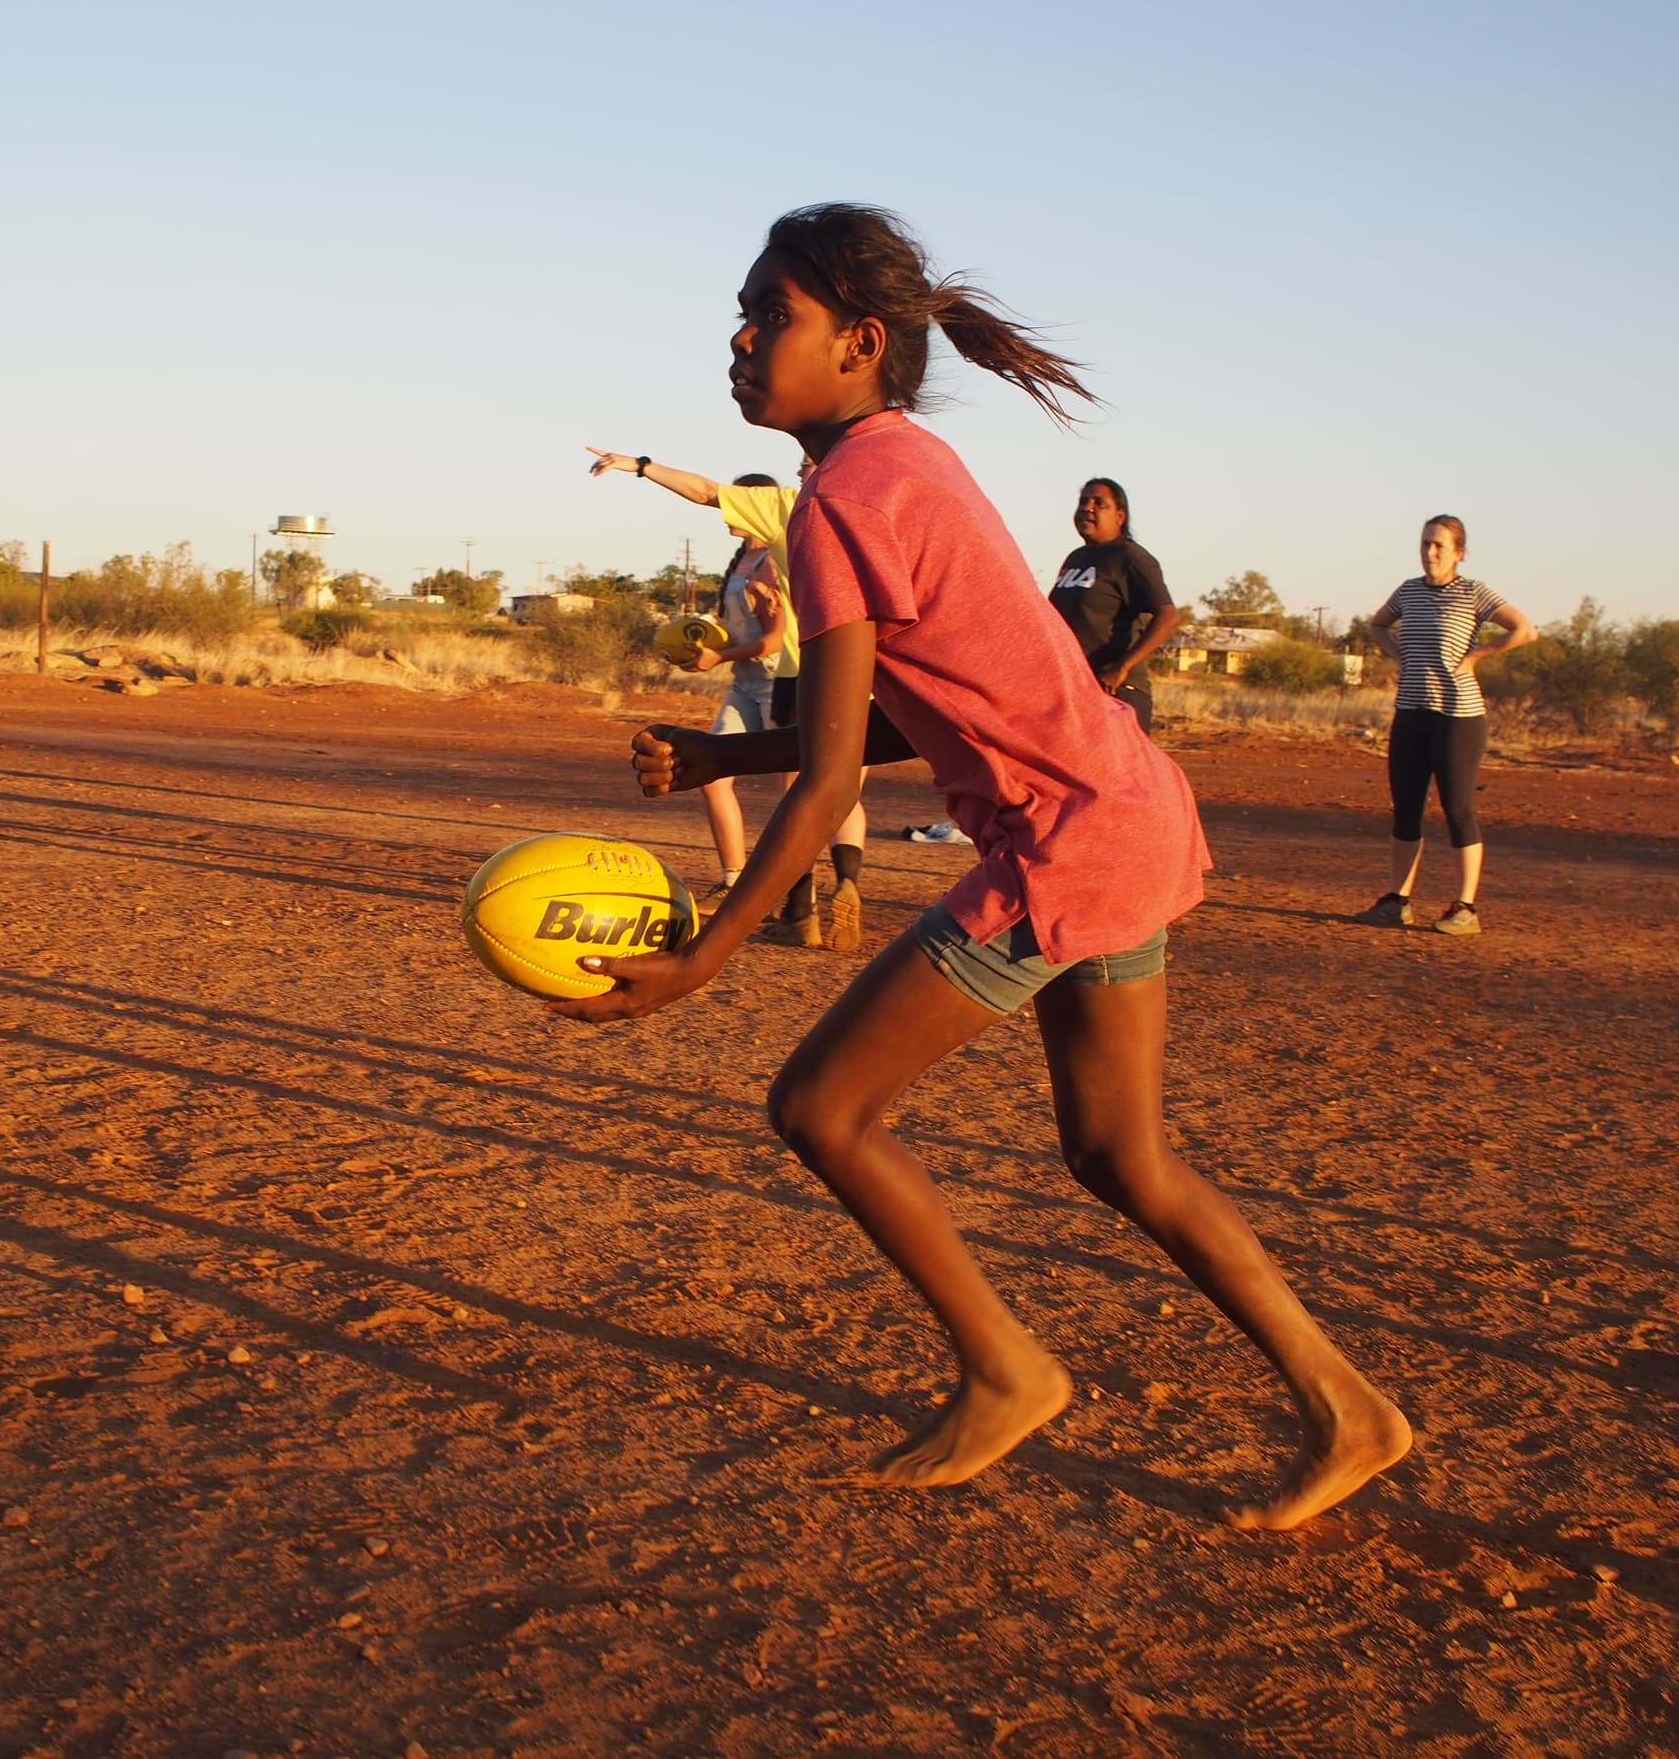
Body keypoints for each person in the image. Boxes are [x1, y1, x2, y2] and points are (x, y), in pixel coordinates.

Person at [557, 203, 1409, 1527]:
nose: (739, 340)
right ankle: (1350, 1407)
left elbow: (834, 781)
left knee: (822, 1107)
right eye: (743, 314)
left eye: (771, 315)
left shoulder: (839, 505)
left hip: (1063, 846)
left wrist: (703, 959)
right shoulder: (910, 460)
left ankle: (1009, 1371)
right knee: (1121, 1153)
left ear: (859, 342)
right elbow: (933, 710)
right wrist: (731, 754)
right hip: (1124, 811)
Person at [585, 445, 868, 954]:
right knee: (840, 785)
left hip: (796, 670)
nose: (801, 468)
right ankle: (841, 882)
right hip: (861, 667)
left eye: (807, 462)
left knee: (803, 792)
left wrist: (640, 466)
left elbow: (705, 492)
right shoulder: (868, 506)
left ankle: (797, 911)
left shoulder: (790, 505)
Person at [1358, 517, 1538, 935]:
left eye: (1439, 545)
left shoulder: (1473, 592)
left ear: (1459, 552)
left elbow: (1525, 631)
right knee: (1406, 808)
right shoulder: (1408, 591)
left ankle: (1465, 907)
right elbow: (1376, 626)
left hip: (1458, 716)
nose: (1430, 551)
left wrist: (1476, 656)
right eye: (1425, 543)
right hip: (1410, 712)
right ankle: (1397, 901)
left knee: (1457, 809)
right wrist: (1398, 654)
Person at [679, 515, 786, 907]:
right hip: (745, 682)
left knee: (793, 790)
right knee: (712, 775)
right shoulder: (743, 558)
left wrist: (719, 657)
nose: (726, 513)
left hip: (779, 683)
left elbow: (775, 641)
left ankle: (792, 893)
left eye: (738, 502)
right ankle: (733, 882)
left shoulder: (775, 559)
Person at [1047, 476, 1182, 731]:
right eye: (1083, 502)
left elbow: (1168, 616)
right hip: (1076, 690)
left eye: (1099, 503)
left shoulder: (1131, 558)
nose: (1088, 508)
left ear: (1120, 517)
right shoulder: (1076, 558)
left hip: (1116, 691)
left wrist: (1122, 668)